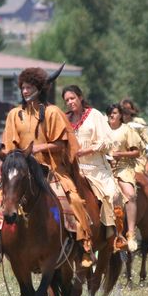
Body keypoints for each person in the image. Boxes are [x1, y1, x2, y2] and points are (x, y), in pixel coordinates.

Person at [0, 67, 94, 266]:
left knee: (74, 200)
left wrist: (36, 149)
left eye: (29, 87)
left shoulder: (53, 112)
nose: (25, 91)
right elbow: (7, 148)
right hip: (21, 172)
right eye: (23, 87)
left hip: (52, 171)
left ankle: (84, 246)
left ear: (40, 88)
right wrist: (0, 171)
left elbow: (61, 144)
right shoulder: (15, 114)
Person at [62, 85, 126, 251]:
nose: (70, 102)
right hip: (72, 169)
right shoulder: (65, 119)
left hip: (95, 168)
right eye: (67, 100)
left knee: (113, 194)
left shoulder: (94, 115)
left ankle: (118, 235)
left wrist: (87, 150)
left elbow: (107, 141)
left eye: (72, 98)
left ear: (80, 97)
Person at [106, 103, 144, 251]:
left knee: (130, 194)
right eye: (109, 113)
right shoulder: (103, 130)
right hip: (104, 168)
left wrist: (120, 154)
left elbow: (136, 152)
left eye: (114, 112)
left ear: (121, 115)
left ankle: (131, 233)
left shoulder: (127, 130)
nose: (112, 115)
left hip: (123, 167)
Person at [120, 98, 148, 177]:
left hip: (137, 159)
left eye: (128, 110)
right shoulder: (116, 124)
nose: (125, 113)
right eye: (123, 110)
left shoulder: (139, 122)